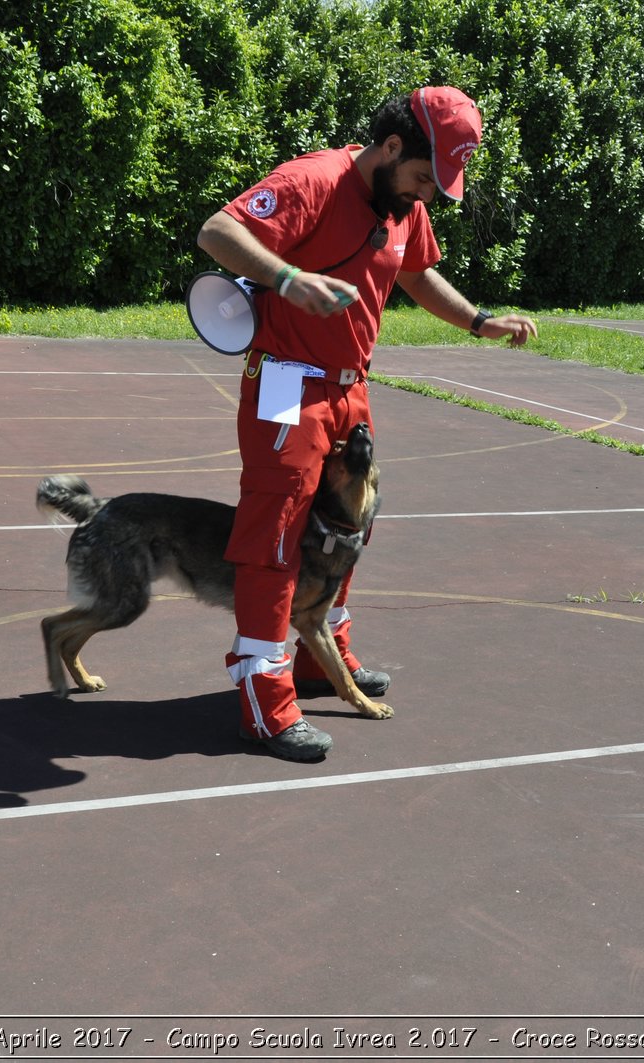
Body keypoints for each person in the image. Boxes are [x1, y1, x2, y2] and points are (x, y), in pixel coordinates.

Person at [197, 87, 538, 762]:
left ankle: (323, 658)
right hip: (287, 384)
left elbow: (417, 273)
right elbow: (217, 232)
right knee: (275, 533)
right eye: (420, 177)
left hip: (350, 386)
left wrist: (477, 319)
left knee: (352, 524)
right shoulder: (313, 180)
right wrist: (288, 278)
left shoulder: (403, 202)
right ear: (389, 150)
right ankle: (264, 704)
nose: (426, 197)